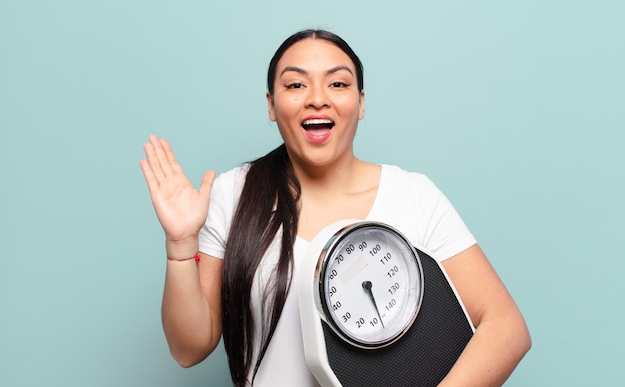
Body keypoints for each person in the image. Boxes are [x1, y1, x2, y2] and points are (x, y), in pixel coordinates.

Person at [140, 29, 531, 387]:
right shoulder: (234, 193)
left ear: (360, 103)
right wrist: (180, 244)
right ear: (272, 105)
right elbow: (188, 349)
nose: (317, 97)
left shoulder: (414, 195)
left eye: (338, 83)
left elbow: (506, 327)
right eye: (295, 84)